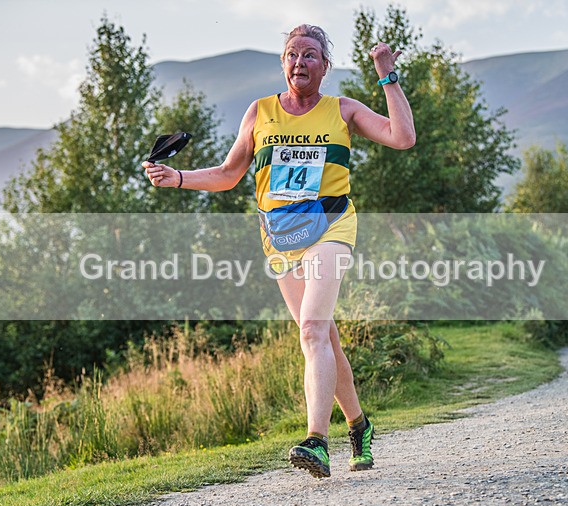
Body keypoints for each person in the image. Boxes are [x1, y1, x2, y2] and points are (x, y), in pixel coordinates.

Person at [143, 24, 415, 478]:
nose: (299, 62)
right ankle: (359, 425)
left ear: (325, 67)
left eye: (310, 55)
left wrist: (387, 75)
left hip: (330, 226)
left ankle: (316, 440)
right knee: (324, 339)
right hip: (279, 237)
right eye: (292, 54)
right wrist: (179, 178)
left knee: (311, 329)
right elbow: (229, 173)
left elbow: (402, 137)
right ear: (283, 63)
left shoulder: (343, 110)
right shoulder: (260, 111)